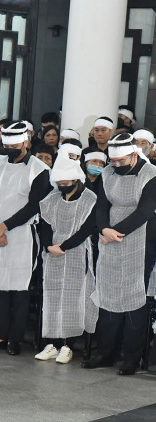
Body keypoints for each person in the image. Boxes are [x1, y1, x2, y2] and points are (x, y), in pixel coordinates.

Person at [84, 133, 156, 375]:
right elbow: (101, 205)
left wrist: (114, 232)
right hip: (110, 238)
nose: (115, 165)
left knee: (135, 298)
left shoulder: (151, 174)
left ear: (134, 155)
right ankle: (105, 353)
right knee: (108, 293)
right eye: (112, 161)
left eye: (120, 161)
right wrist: (104, 229)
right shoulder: (107, 173)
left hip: (141, 240)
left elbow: (145, 211)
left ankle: (131, 358)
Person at [0, 121, 51, 355]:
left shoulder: (39, 169)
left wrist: (4, 227)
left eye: (14, 145)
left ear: (26, 142)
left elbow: (34, 206)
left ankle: (15, 339)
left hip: (21, 234)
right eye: (7, 146)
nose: (10, 149)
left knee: (19, 289)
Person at [36, 153, 98, 364]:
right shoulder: (51, 199)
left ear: (76, 179)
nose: (62, 186)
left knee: (73, 297)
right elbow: (45, 225)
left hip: (76, 253)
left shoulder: (89, 199)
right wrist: (49, 246)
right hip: (53, 254)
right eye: (59, 183)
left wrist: (63, 247)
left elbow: (86, 229)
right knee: (52, 297)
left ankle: (68, 345)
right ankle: (52, 343)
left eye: (66, 182)